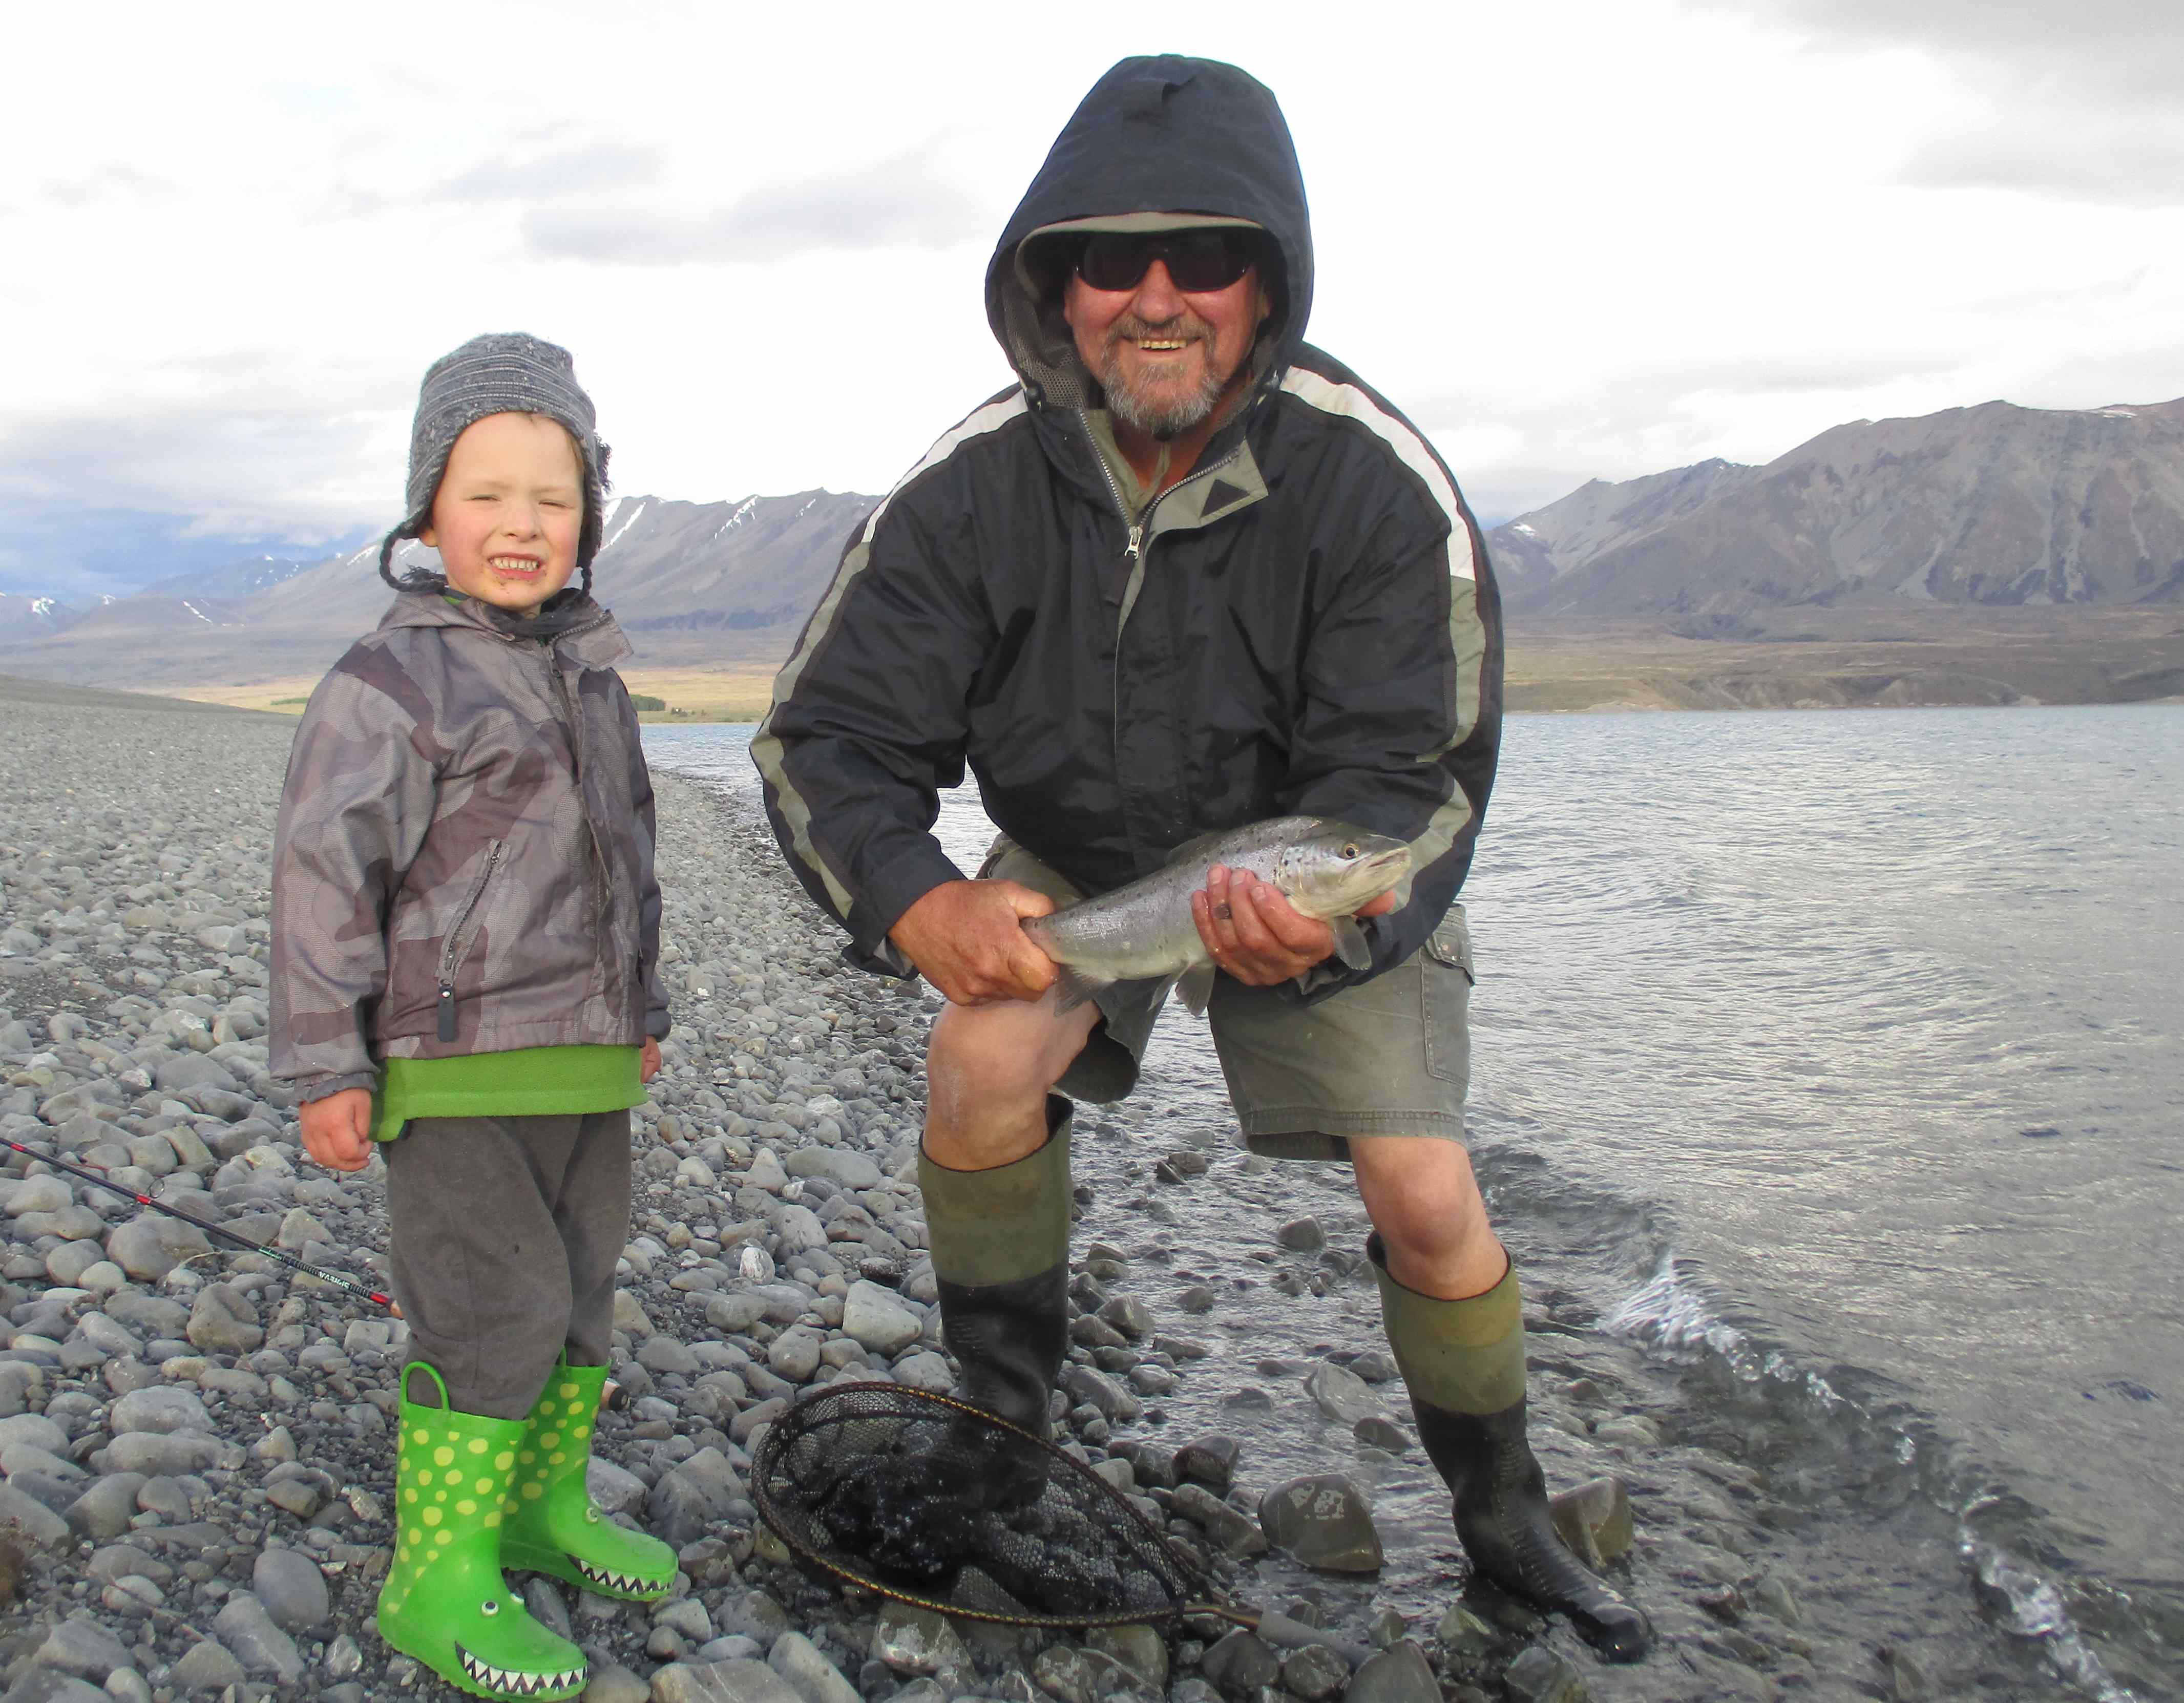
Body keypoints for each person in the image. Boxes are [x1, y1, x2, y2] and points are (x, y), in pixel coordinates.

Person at [757, 57, 1653, 1660]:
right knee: (977, 1062)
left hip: (1312, 866)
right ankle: (998, 1440)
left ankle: (1506, 1520)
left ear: (1269, 284)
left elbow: (1420, 777)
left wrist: (1336, 934)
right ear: (1056, 286)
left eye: (1205, 258)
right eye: (1111, 259)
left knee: (1425, 1185)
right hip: (1089, 856)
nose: (1156, 296)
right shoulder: (972, 485)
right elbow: (825, 735)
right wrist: (921, 899)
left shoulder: (1375, 480)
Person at [271, 334, 678, 1700]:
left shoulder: (597, 677)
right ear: (428, 510)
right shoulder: (389, 683)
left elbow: (632, 854)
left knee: (579, 1287)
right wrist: (329, 1059)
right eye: (486, 493)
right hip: (449, 1068)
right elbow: (327, 879)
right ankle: (434, 1577)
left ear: (588, 521)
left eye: (551, 499)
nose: (520, 526)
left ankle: (536, 1510)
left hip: (587, 1059)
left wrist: (647, 1006)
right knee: (490, 1301)